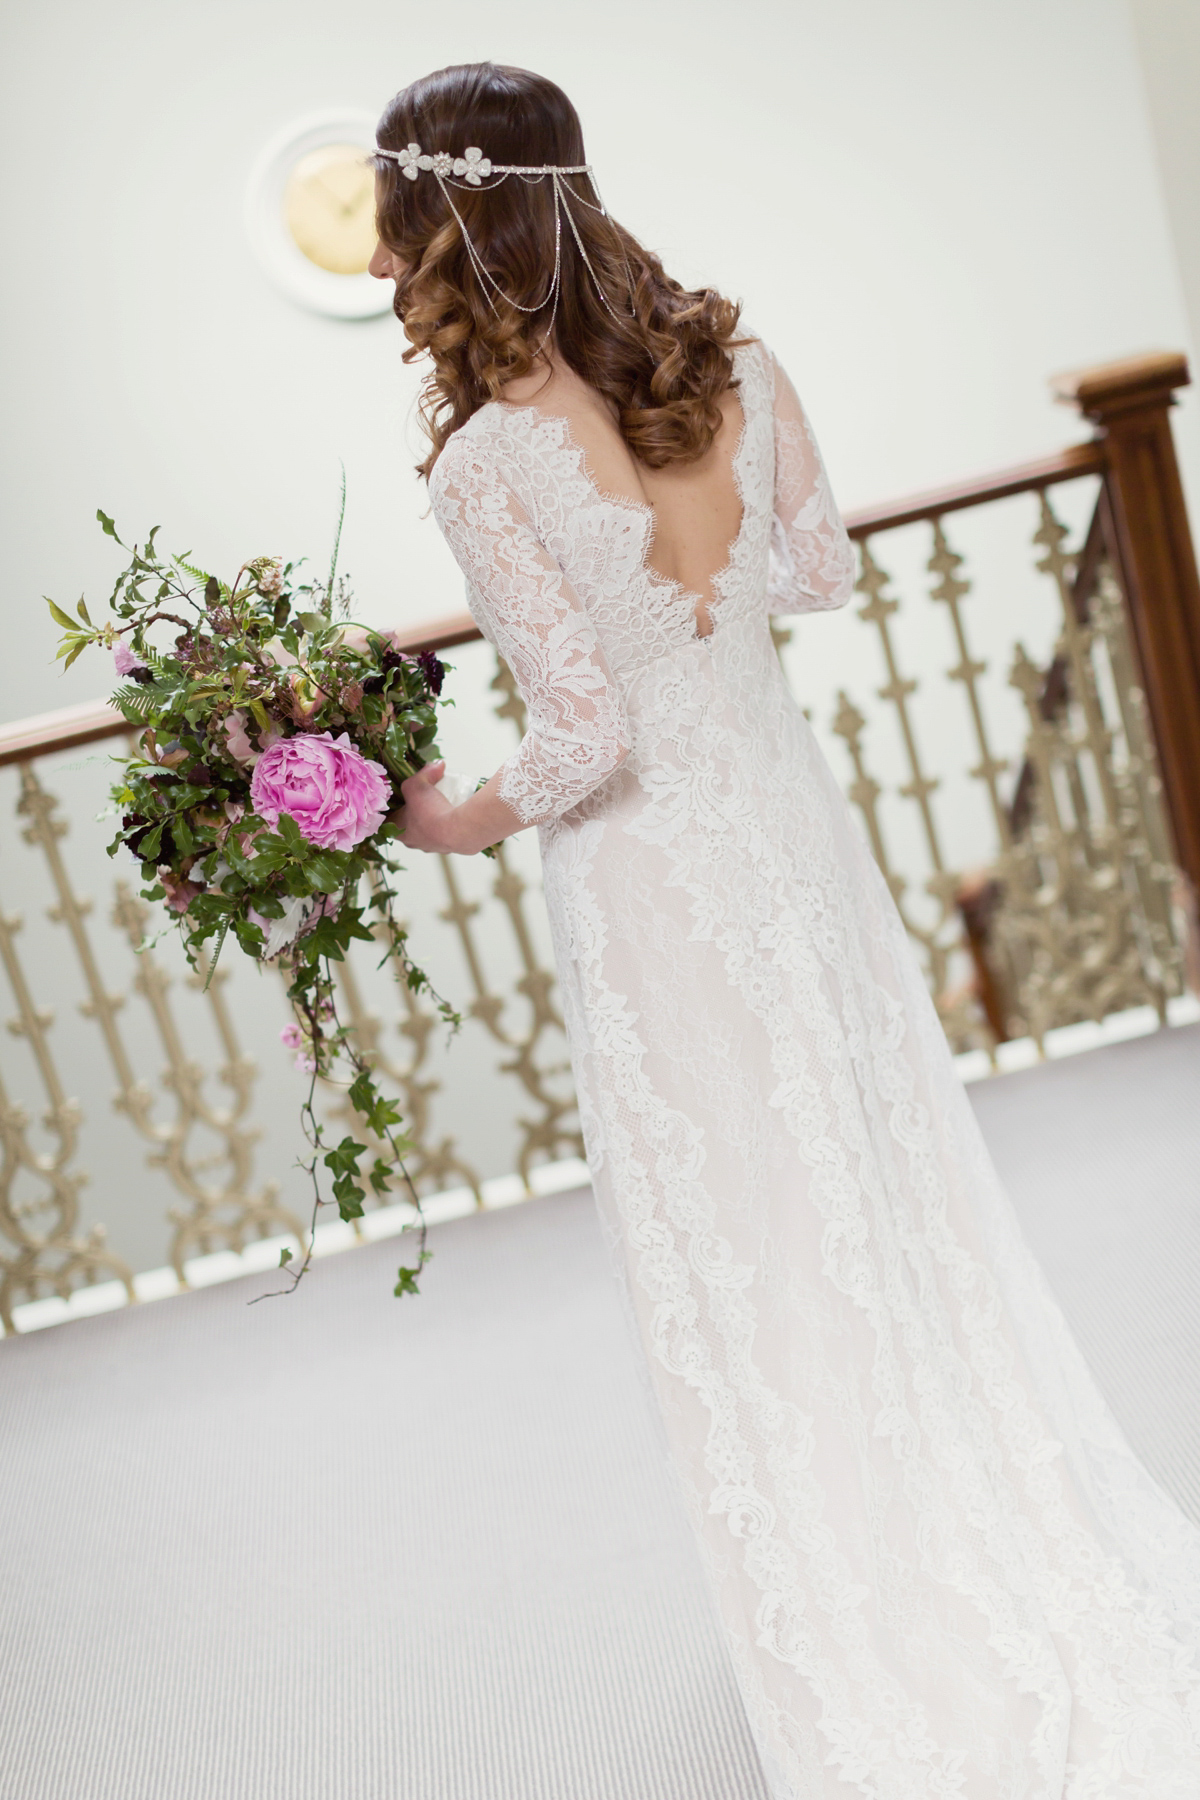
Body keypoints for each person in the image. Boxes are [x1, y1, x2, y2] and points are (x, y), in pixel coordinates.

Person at [369, 60, 1200, 1800]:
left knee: (752, 1243)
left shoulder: (488, 460)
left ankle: (866, 1602)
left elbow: (585, 740)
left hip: (659, 892)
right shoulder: (735, 363)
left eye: (391, 230)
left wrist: (437, 813)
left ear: (448, 227)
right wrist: (707, 585)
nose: (385, 268)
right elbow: (816, 577)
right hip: (791, 844)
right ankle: (958, 1522)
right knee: (866, 1191)